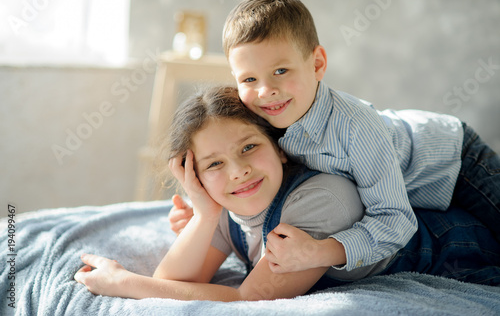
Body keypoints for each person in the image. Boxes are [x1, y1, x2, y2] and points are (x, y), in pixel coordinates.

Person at [171, 0, 500, 276]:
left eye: (280, 71)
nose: (265, 91)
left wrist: (319, 251)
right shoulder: (262, 117)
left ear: (317, 64)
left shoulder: (356, 128)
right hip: (398, 189)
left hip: (455, 162)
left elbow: (395, 218)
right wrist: (199, 210)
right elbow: (230, 157)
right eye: (249, 79)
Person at [74, 86, 499, 302]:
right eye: (214, 164)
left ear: (278, 145)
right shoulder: (226, 205)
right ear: (195, 175)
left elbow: (249, 298)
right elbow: (175, 282)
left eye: (248, 148)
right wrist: (203, 214)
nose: (238, 171)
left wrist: (124, 282)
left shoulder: (321, 199)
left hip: (465, 246)